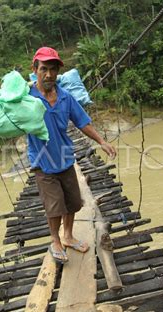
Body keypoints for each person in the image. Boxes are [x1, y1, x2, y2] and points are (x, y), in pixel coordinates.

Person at [28, 47, 116, 263]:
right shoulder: (27, 98)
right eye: (44, 69)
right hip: (42, 162)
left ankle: (68, 236)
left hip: (66, 157)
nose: (48, 74)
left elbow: (82, 121)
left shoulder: (66, 97)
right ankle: (55, 241)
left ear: (58, 72)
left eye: (53, 70)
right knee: (55, 206)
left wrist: (101, 141)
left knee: (73, 202)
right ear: (35, 70)